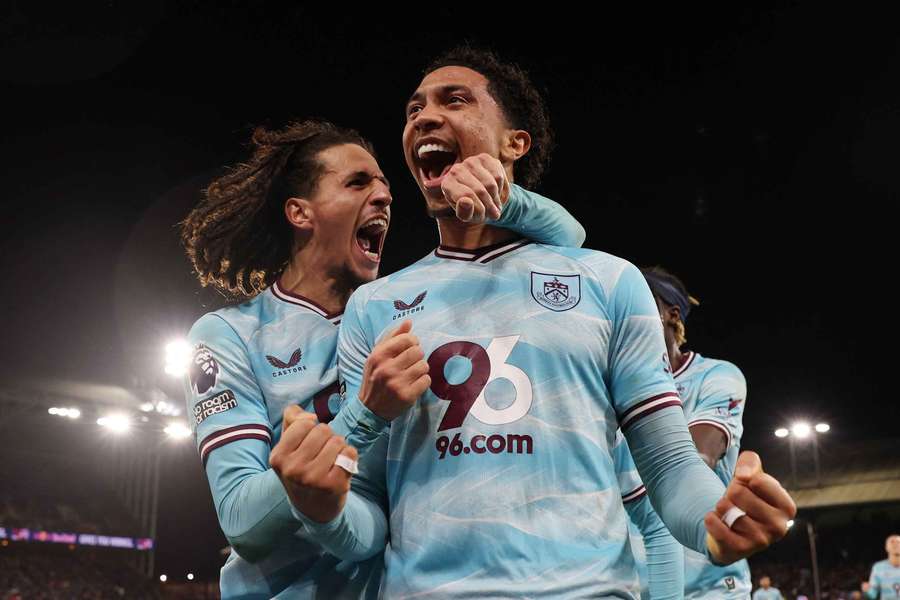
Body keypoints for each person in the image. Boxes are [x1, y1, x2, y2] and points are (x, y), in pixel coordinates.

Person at [279, 47, 796, 598]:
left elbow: (669, 469)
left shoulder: (608, 282)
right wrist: (323, 509)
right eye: (413, 109)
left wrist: (722, 519)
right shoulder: (374, 306)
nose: (424, 117)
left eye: (454, 100)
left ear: (514, 144)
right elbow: (372, 521)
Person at [180, 119, 586, 598]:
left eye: (385, 185)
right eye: (357, 183)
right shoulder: (229, 336)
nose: (384, 196)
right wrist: (365, 414)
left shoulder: (396, 310)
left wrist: (506, 198)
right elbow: (243, 523)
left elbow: (571, 244)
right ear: (300, 213)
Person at [642, 266, 753, 598]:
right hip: (631, 583)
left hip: (707, 584)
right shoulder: (606, 387)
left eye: (638, 303)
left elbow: (694, 458)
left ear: (670, 314)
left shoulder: (716, 375)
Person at [863, 534, 900, 599]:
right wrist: (867, 591)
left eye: (898, 542)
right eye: (892, 542)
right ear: (886, 547)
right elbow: (872, 595)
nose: (896, 544)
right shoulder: (878, 567)